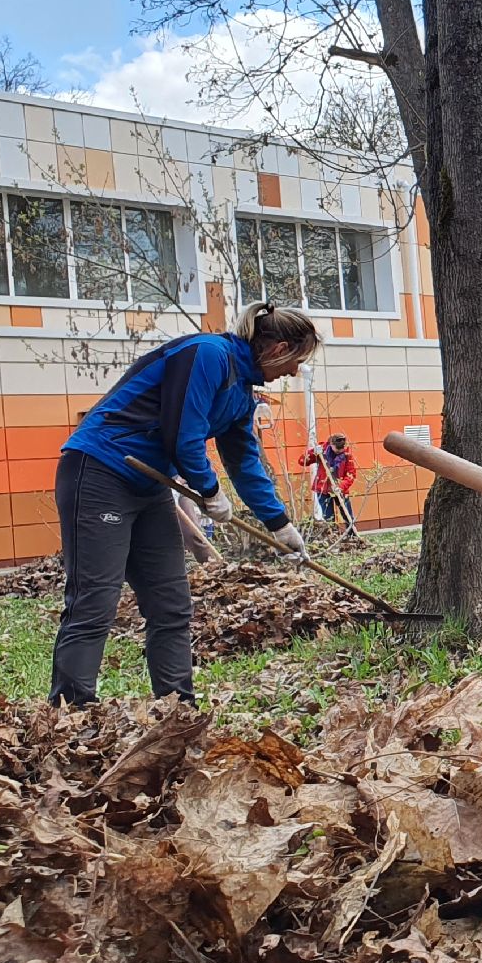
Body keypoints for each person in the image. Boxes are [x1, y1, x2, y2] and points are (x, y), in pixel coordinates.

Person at [50, 302, 320, 705]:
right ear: (279, 348)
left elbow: (245, 462)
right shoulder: (206, 354)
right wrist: (209, 490)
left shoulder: (240, 394)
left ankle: (178, 708)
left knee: (171, 604)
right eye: (295, 361)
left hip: (148, 484)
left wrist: (279, 524)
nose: (293, 372)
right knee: (96, 599)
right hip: (100, 471)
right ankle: (71, 713)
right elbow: (183, 433)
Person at [302, 433, 359, 524]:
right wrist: (313, 453)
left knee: (348, 516)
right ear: (331, 444)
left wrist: (340, 486)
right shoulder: (322, 451)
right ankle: (334, 536)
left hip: (340, 490)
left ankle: (352, 535)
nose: (340, 452)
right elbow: (302, 461)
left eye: (342, 450)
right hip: (323, 489)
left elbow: (351, 475)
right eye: (337, 450)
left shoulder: (347, 455)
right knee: (329, 519)